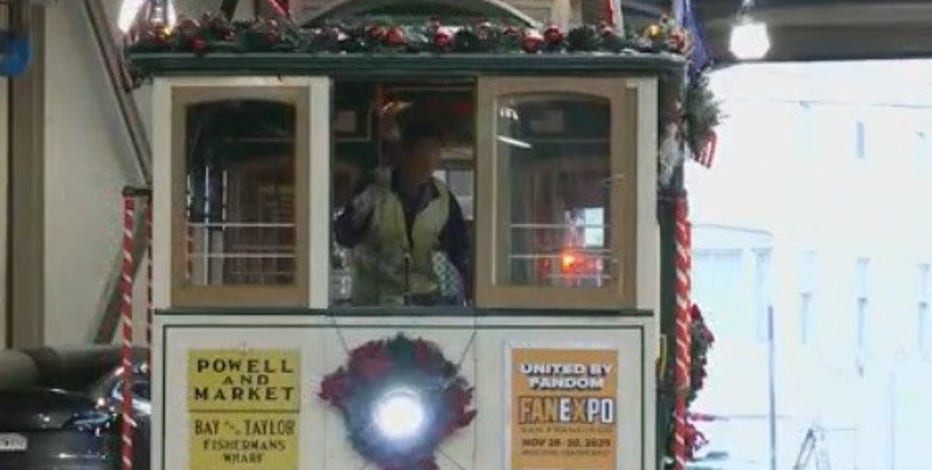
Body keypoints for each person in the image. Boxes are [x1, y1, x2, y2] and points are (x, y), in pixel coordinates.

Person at [334, 120, 470, 306]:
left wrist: (473, 288)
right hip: (374, 303)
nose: (428, 161)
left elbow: (460, 250)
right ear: (405, 153)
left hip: (424, 300)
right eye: (422, 152)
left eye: (435, 152)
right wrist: (360, 209)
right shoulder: (373, 189)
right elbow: (344, 236)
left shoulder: (443, 198)